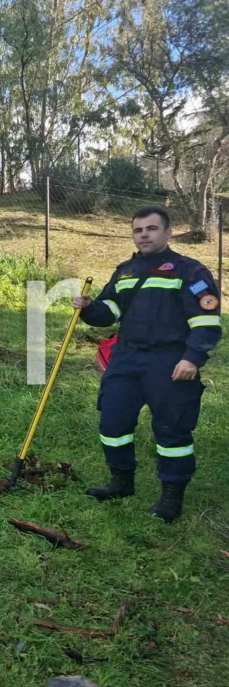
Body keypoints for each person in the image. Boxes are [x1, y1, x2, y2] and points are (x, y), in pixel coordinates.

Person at [72, 206, 221, 523]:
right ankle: (121, 483)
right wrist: (88, 307)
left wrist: (192, 358)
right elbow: (109, 313)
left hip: (170, 360)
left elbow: (207, 321)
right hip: (126, 357)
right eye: (138, 230)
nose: (144, 235)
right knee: (112, 422)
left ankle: (171, 497)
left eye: (152, 229)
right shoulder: (125, 271)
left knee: (172, 429)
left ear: (168, 233)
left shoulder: (190, 272)